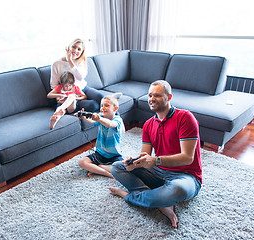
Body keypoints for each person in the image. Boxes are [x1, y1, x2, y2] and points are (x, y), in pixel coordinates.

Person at [109, 80, 202, 228]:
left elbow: (187, 157)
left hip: (186, 176)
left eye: (157, 95)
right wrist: (135, 162)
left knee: (178, 190)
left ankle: (128, 196)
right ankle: (159, 201)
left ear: (169, 97)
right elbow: (145, 155)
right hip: (159, 172)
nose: (152, 99)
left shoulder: (185, 118)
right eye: (150, 95)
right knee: (117, 167)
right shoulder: (148, 124)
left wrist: (156, 161)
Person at [78, 94, 125, 178]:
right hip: (100, 153)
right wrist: (84, 117)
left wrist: (99, 118)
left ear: (115, 108)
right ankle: (105, 172)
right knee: (82, 162)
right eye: (101, 105)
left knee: (124, 167)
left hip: (114, 155)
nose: (103, 107)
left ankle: (98, 168)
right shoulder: (101, 116)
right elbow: (91, 121)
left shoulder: (117, 120)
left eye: (106, 105)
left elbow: (109, 124)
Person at [50, 38, 103, 113]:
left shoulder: (80, 61)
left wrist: (70, 61)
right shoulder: (56, 64)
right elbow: (54, 84)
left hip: (83, 89)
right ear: (69, 47)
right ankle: (75, 105)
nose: (75, 51)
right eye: (74, 47)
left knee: (101, 97)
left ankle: (116, 119)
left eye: (79, 49)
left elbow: (80, 77)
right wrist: (59, 96)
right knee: (94, 106)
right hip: (70, 93)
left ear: (81, 52)